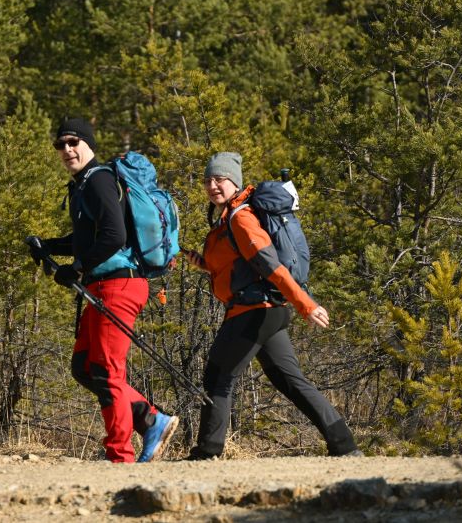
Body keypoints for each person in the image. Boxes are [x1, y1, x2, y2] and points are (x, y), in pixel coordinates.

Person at [183, 152, 361, 460]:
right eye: (208, 181)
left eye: (220, 179)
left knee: (217, 377)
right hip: (267, 312)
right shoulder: (229, 218)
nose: (213, 186)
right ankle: (344, 444)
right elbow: (239, 266)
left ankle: (208, 450)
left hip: (253, 313)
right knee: (290, 380)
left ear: (234, 182)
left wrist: (306, 304)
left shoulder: (241, 218)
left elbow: (271, 266)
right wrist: (203, 264)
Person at [28, 117, 178, 463]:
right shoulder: (83, 185)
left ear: (89, 144)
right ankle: (152, 421)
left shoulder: (99, 182)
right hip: (104, 285)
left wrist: (77, 268)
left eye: (73, 142)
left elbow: (114, 236)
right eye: (60, 145)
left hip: (119, 286)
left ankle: (119, 456)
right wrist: (49, 246)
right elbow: (88, 239)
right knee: (83, 367)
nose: (67, 150)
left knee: (108, 372)